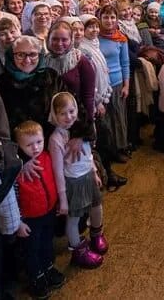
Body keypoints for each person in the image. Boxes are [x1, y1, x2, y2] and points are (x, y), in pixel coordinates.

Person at [49, 92, 107, 269]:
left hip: (88, 176)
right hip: (73, 182)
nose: (69, 117)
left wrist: (94, 172)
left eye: (71, 111)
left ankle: (96, 235)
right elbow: (58, 171)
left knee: (97, 207)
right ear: (55, 115)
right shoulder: (56, 139)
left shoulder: (79, 131)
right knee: (73, 219)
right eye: (63, 113)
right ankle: (78, 251)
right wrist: (63, 198)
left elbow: (88, 154)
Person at [13, 121, 66, 298]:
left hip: (48, 211)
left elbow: (53, 180)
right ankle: (36, 277)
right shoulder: (17, 169)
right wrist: (18, 222)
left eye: (39, 142)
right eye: (29, 144)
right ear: (19, 146)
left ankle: (48, 268)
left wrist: (58, 201)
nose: (35, 148)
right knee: (31, 249)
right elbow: (14, 197)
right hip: (29, 218)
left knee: (46, 243)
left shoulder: (47, 157)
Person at [98, 6, 131, 157]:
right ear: (100, 18)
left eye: (112, 17)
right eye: (106, 17)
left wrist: (126, 85)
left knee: (118, 116)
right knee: (105, 119)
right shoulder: (94, 37)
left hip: (117, 83)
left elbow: (125, 63)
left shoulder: (121, 38)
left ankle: (121, 147)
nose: (109, 21)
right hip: (101, 85)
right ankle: (109, 150)